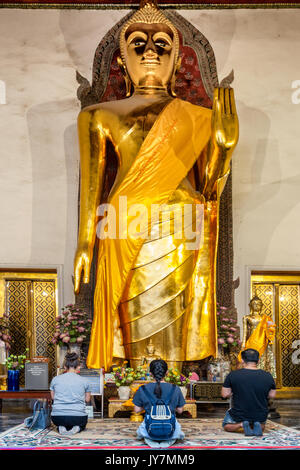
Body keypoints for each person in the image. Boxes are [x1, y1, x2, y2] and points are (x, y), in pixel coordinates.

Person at [73, 0, 239, 373]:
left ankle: (175, 378)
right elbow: (92, 186)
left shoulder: (202, 117)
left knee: (172, 306)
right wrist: (85, 243)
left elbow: (210, 188)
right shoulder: (96, 115)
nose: (150, 51)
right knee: (128, 305)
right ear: (121, 60)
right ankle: (127, 374)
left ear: (178, 61)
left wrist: (224, 148)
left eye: (162, 44)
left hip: (181, 220)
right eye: (139, 44)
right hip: (124, 219)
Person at [221, 348, 276, 436]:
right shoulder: (268, 376)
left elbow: (224, 394)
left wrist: (235, 391)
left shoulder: (233, 375)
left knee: (226, 426)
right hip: (260, 413)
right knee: (260, 423)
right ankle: (257, 425)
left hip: (239, 413)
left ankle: (242, 424)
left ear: (242, 360)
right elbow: (272, 395)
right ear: (258, 360)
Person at [132, 359, 185, 448]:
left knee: (141, 430)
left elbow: (136, 410)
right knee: (178, 430)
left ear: (150, 373)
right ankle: (169, 438)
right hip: (171, 429)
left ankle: (150, 438)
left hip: (149, 429)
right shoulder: (175, 388)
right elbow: (180, 410)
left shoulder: (143, 389)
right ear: (167, 372)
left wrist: (148, 406)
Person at [50, 352, 92, 435]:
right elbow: (87, 400)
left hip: (57, 417)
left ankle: (61, 426)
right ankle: (78, 427)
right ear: (78, 367)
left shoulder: (55, 379)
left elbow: (53, 398)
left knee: (61, 420)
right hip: (78, 417)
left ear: (65, 367)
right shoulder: (85, 381)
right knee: (82, 423)